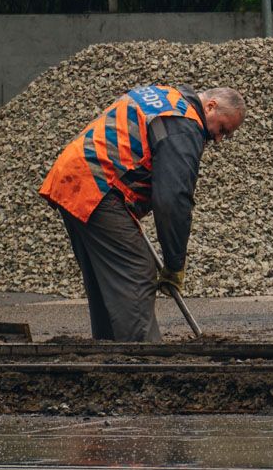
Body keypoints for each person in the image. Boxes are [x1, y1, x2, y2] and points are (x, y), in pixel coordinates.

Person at [39, 84, 246, 341]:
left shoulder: (167, 97)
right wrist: (174, 265)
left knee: (107, 275)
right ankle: (142, 356)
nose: (218, 139)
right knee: (136, 271)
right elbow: (173, 199)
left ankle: (109, 349)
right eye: (223, 129)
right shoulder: (184, 125)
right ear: (211, 106)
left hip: (74, 178)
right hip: (97, 186)